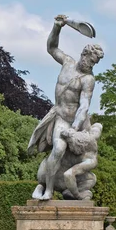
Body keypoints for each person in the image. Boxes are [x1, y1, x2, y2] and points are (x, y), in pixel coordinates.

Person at [28, 15, 104, 200]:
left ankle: (66, 187)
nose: (92, 65)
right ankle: (48, 189)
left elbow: (84, 106)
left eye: (95, 63)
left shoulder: (88, 79)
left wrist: (74, 130)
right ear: (84, 55)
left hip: (75, 121)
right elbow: (51, 48)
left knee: (81, 155)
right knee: (59, 150)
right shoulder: (67, 63)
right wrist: (57, 28)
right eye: (92, 61)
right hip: (59, 116)